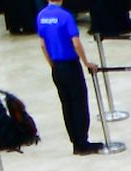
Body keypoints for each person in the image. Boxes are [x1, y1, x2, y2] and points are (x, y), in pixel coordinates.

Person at [35, 0, 103, 156]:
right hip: (70, 65)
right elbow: (76, 43)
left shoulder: (41, 16)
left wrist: (52, 64)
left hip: (56, 66)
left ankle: (75, 142)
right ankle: (82, 142)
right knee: (79, 104)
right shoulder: (65, 16)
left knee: (66, 105)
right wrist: (86, 62)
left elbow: (42, 44)